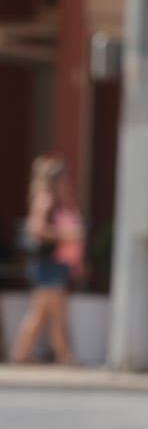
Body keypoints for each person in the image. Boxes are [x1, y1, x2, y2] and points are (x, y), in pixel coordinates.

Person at [11, 156, 84, 365]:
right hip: (47, 265)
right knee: (57, 313)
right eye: (63, 180)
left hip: (59, 264)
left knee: (41, 314)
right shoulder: (45, 200)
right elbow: (37, 229)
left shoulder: (62, 203)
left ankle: (22, 354)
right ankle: (65, 357)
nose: (66, 183)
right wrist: (66, 235)